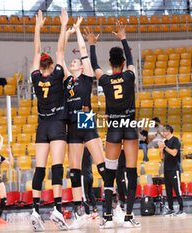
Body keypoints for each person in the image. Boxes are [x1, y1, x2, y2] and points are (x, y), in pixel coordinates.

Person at [85, 21, 140, 228]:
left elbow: (94, 66)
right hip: (130, 126)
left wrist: (91, 44)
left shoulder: (105, 80)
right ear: (123, 63)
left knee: (110, 170)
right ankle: (128, 216)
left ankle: (107, 217)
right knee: (131, 171)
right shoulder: (129, 75)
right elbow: (132, 61)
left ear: (110, 62)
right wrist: (123, 37)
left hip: (114, 128)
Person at [63, 17, 105, 230]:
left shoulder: (87, 76)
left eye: (76, 62)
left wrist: (77, 30)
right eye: (72, 63)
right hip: (72, 123)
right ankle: (79, 212)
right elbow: (59, 56)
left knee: (102, 165)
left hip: (86, 118)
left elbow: (82, 49)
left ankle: (111, 207)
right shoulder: (67, 80)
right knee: (74, 171)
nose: (73, 63)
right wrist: (64, 31)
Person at [30, 9, 69, 232]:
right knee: (57, 167)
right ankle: (57, 209)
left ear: (40, 67)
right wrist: (63, 25)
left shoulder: (35, 77)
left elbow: (36, 52)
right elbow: (60, 49)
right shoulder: (57, 75)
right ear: (52, 66)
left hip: (41, 126)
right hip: (56, 125)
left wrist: (38, 27)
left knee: (39, 169)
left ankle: (35, 211)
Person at [158, 125, 184, 216]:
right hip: (166, 169)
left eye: (164, 131)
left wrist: (164, 147)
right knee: (168, 190)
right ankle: (171, 208)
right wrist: (161, 149)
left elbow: (174, 153)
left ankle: (181, 208)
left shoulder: (175, 140)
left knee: (177, 190)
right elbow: (162, 158)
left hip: (174, 168)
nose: (162, 133)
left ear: (168, 131)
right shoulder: (164, 142)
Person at [81, 147, 99, 220]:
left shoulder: (82, 150)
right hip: (90, 175)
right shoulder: (90, 152)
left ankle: (87, 213)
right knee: (91, 193)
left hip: (84, 176)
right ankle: (95, 212)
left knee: (85, 195)